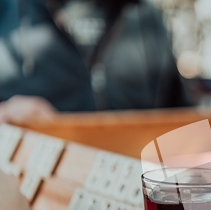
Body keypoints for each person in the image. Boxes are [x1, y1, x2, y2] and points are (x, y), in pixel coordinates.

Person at [0, 0, 191, 123]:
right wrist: (6, 112)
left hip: (132, 178)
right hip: (38, 177)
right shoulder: (7, 14)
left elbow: (182, 120)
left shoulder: (145, 16)